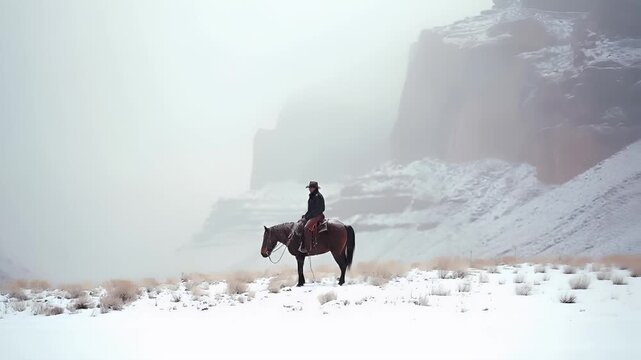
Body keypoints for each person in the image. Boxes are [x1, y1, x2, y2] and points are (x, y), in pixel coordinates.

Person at [296, 181, 325, 253]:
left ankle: (308, 248)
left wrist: (308, 216)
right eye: (309, 188)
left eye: (311, 187)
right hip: (312, 215)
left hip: (318, 215)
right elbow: (310, 210)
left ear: (315, 188)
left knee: (306, 228)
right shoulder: (312, 196)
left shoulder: (318, 196)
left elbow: (320, 209)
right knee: (300, 223)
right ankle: (302, 244)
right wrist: (305, 216)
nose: (310, 189)